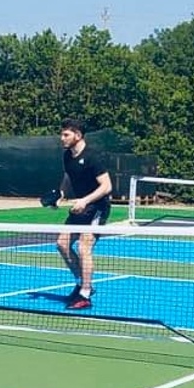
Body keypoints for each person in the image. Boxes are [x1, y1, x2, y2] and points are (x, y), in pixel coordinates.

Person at [54, 117, 113, 310]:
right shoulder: (67, 156)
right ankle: (82, 282)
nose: (61, 137)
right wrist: (60, 194)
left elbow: (107, 186)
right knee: (61, 244)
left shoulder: (93, 158)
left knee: (83, 247)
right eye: (62, 134)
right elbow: (67, 177)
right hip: (80, 208)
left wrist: (85, 200)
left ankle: (85, 294)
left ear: (77, 136)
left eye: (66, 134)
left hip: (97, 207)